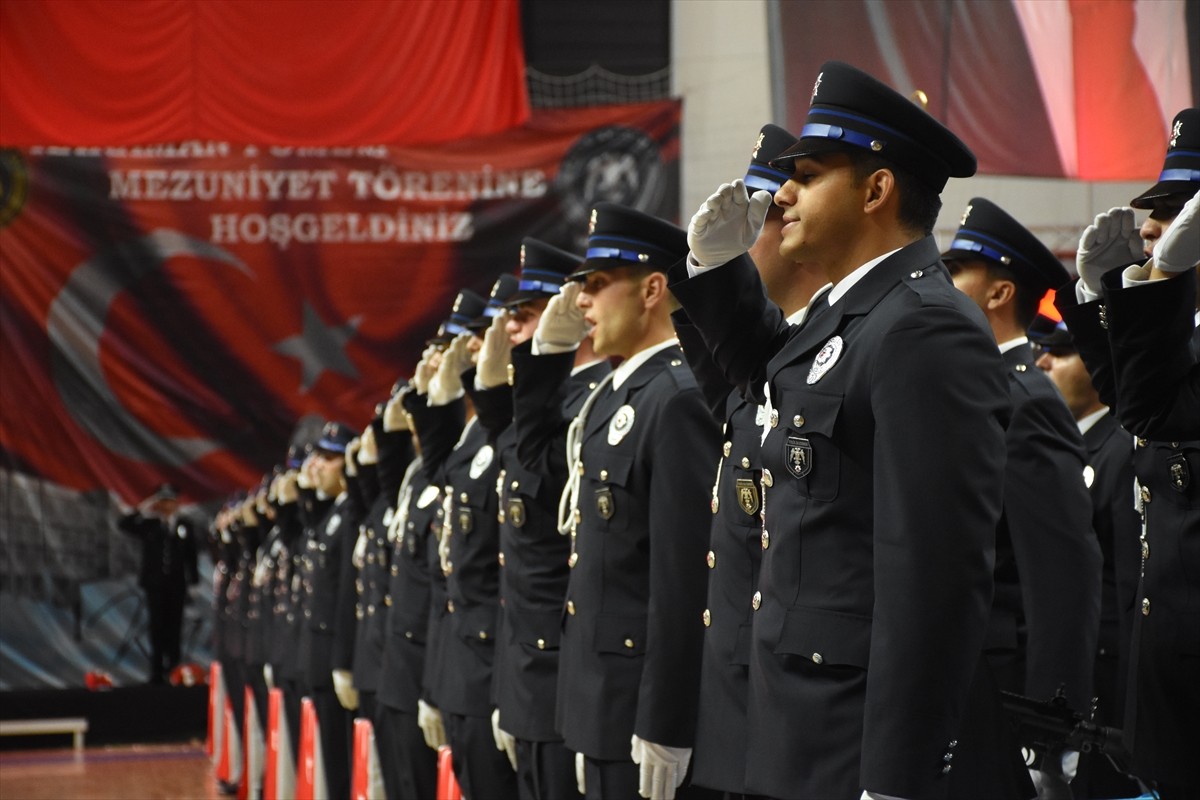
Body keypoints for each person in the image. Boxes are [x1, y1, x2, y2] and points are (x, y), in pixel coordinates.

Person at [671, 61, 1017, 799]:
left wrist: (896, 778)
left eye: (808, 175)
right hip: (799, 732)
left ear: (876, 189)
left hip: (856, 746)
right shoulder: (849, 315)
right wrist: (714, 267)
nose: (783, 194)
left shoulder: (923, 326)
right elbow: (763, 381)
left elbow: (933, 581)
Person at [525, 202, 720, 800]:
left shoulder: (677, 398)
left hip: (638, 709)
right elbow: (534, 464)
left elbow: (682, 580)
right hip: (598, 703)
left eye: (597, 284)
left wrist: (666, 723)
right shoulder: (614, 395)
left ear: (652, 290)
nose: (581, 301)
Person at [672, 122, 827, 798]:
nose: (739, 236)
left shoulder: (835, 357)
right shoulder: (764, 370)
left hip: (810, 717)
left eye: (757, 215)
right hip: (742, 709)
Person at [1054, 108, 1200, 799]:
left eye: (1174, 210)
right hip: (1168, 673)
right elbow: (1134, 410)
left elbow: (1151, 411)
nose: (1149, 228)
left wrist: (1150, 285)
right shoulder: (1183, 338)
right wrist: (1101, 297)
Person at [479, 237, 609, 799]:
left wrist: (540, 366)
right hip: (527, 673)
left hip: (567, 674)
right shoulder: (544, 406)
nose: (511, 329)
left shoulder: (591, 402)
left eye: (526, 314)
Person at [1030, 317, 1143, 799]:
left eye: (1061, 352)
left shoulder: (1121, 452)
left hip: (1105, 683)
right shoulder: (1068, 444)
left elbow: (1129, 589)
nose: (1043, 362)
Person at [117, 483, 200, 684]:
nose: (166, 506)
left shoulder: (185, 525)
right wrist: (145, 506)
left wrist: (194, 582)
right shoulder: (150, 524)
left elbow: (191, 555)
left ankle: (174, 669)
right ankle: (156, 670)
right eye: (163, 501)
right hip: (154, 585)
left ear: (177, 503)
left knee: (175, 626)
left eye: (170, 501)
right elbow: (124, 524)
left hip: (177, 585)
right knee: (156, 626)